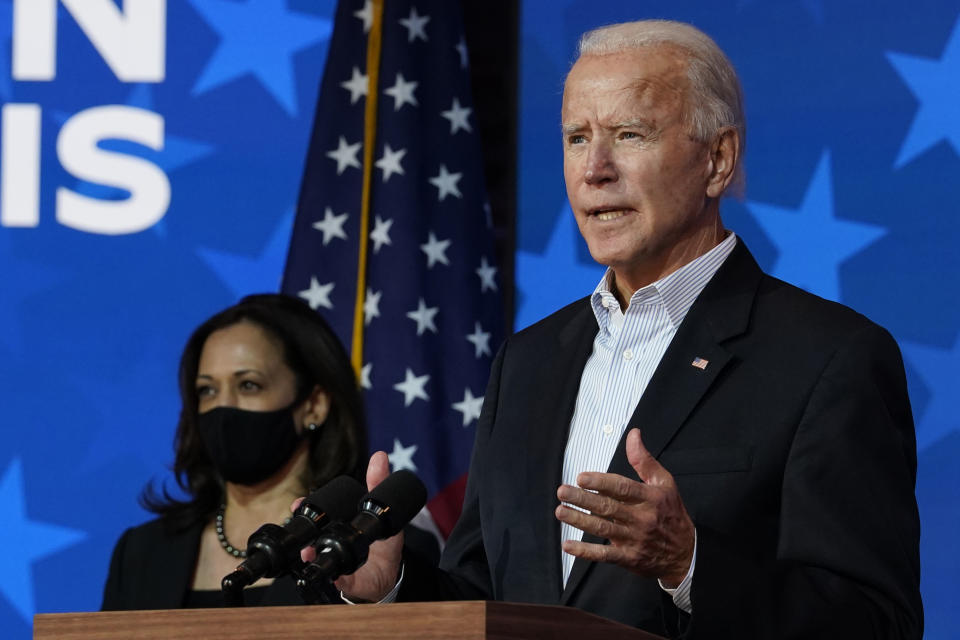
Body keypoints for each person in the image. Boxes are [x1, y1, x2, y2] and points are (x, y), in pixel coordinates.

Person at [328, 20, 923, 639]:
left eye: (629, 134)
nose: (595, 169)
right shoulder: (527, 363)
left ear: (718, 161)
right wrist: (391, 590)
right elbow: (488, 596)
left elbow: (877, 622)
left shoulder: (829, 357)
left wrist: (690, 563)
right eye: (577, 138)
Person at [102, 293, 367, 609]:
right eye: (208, 390)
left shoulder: (365, 545)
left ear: (313, 405)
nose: (223, 406)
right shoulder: (140, 554)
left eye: (248, 385)